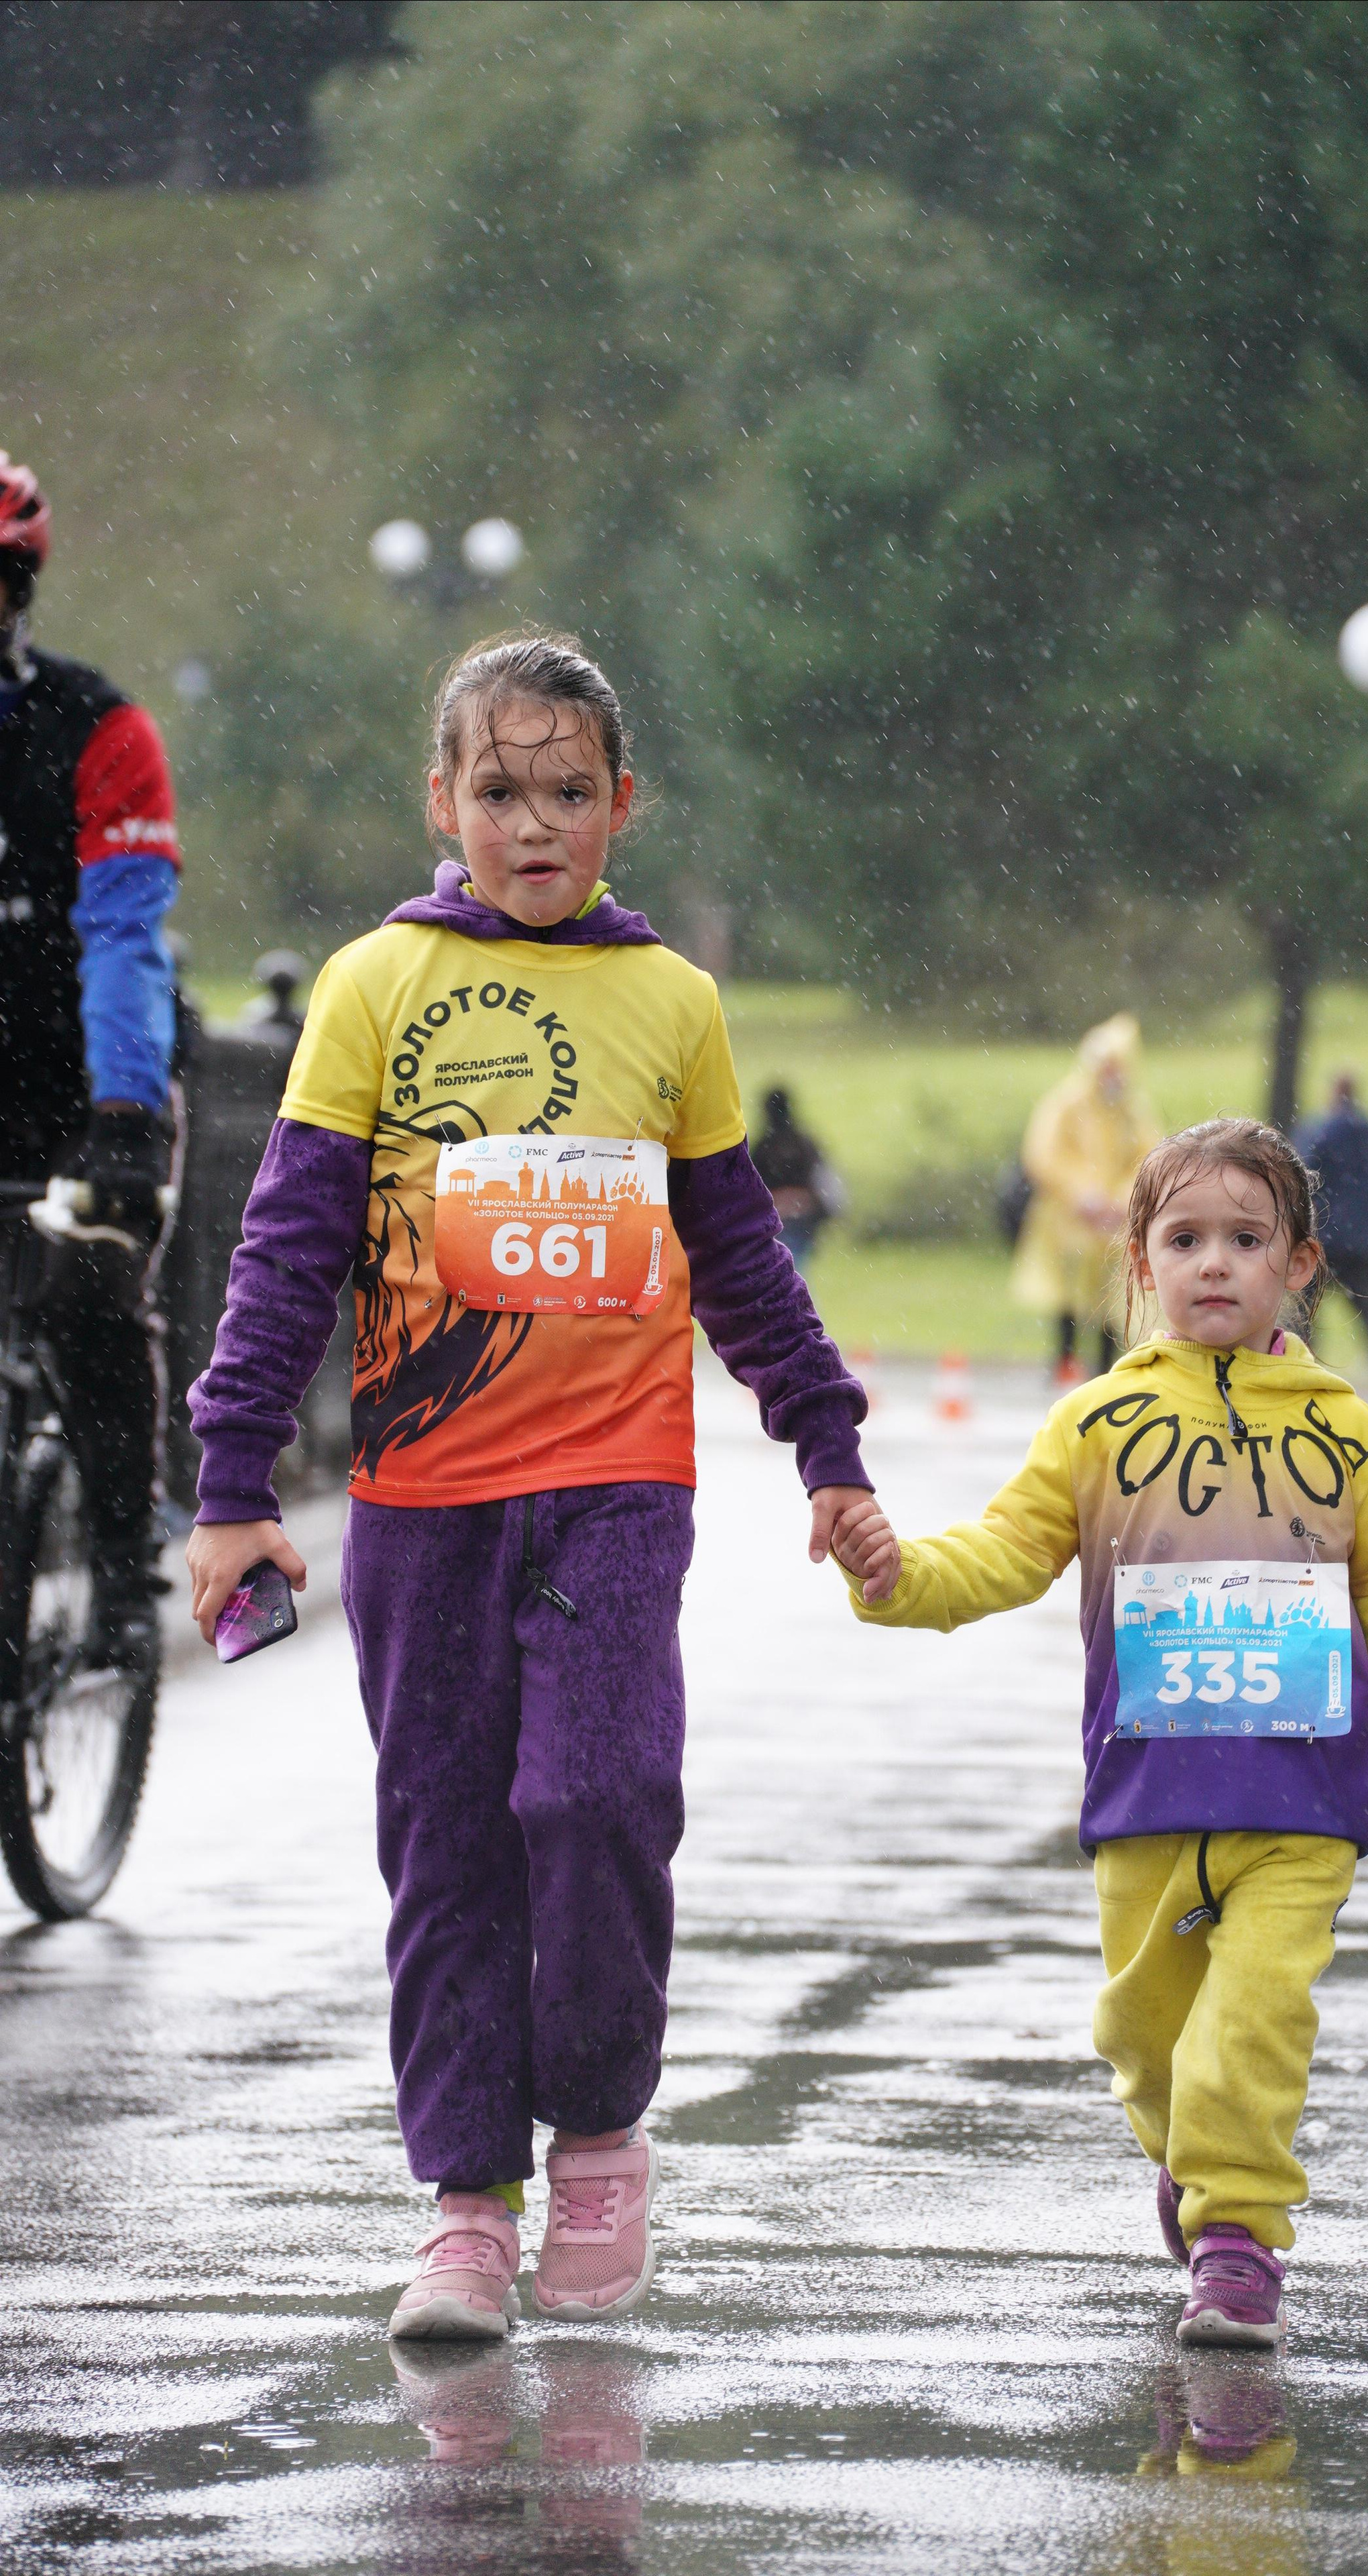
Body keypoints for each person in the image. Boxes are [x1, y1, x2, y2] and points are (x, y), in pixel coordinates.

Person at [184, 633, 878, 2339]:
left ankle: (604, 2138)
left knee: (594, 1798)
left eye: (569, 790)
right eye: (499, 789)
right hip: (424, 1503)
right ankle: (466, 2207)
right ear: (442, 800)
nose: (535, 822)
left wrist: (826, 1443)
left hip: (615, 1489)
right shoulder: (371, 985)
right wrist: (232, 1475)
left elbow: (739, 1256)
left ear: (621, 806)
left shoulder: (672, 1006)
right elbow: (287, 1247)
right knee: (446, 1846)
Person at [832, 1116, 1368, 2348]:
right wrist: (897, 1578)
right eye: (1186, 1239)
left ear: (1300, 1263)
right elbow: (1006, 1553)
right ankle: (1194, 2159)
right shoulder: (1096, 1426)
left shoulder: (1350, 1433)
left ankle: (1238, 2240)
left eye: (1248, 1239)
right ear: (1141, 1262)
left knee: (1253, 2027)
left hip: (1301, 1814)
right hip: (1147, 1802)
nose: (1216, 1264)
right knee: (1144, 2038)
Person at [0, 453, 180, 1663]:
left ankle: (121, 1568)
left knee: (97, 1296)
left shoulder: (98, 729)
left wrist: (125, 1120)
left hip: (68, 1084)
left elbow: (123, 936)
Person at [1012, 1012, 1158, 1382]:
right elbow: (1042, 1154)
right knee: (1068, 1294)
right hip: (1068, 1220)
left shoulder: (1133, 1110)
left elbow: (1150, 1157)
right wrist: (1080, 1194)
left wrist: (1123, 1199)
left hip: (1113, 1222)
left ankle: (1107, 1371)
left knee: (1112, 1299)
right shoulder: (1066, 1103)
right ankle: (1064, 1362)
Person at [1295, 1073, 1368, 1393]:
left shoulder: (1316, 1133)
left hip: (1323, 1238)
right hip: (1364, 1241)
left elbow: (1303, 1180)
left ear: (1332, 1094)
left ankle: (1303, 1372)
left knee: (1305, 1314)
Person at [750, 1084, 841, 1271]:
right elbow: (829, 1189)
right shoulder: (806, 1144)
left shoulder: (762, 1147)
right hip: (797, 1223)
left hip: (781, 1223)